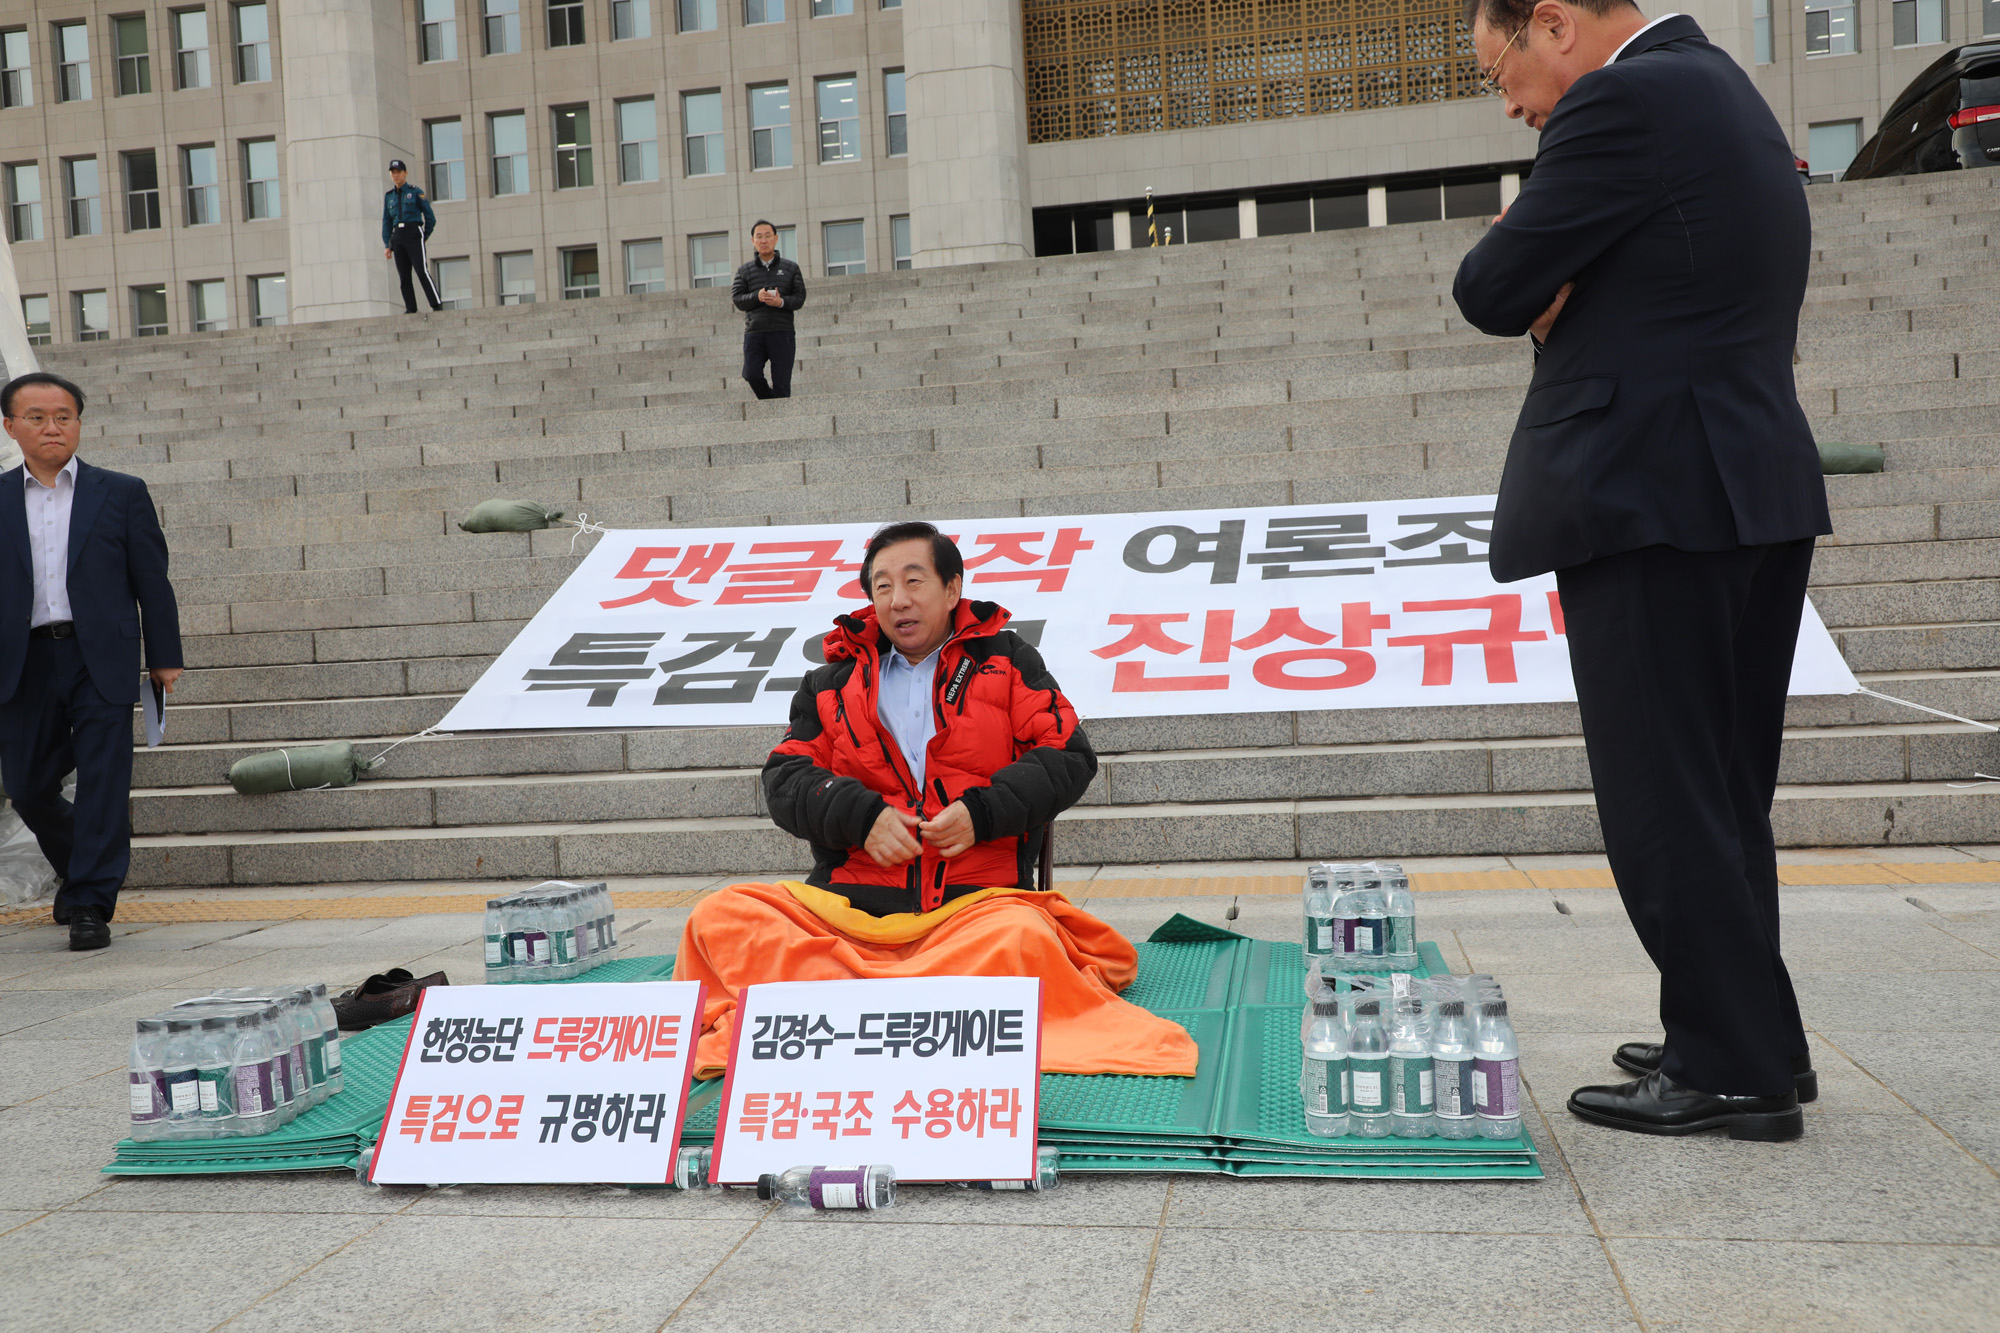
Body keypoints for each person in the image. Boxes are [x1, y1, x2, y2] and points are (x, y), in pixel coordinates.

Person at [1452, 2, 1831, 1141]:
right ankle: (1748, 1035)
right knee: (1718, 794)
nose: (1512, 104)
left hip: (1650, 494)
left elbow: (1487, 287)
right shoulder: (1716, 88)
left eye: (1501, 71)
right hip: (1741, 482)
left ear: (1553, 24)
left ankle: (1730, 1066)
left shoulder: (1620, 99)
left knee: (1665, 798)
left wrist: (1525, 243)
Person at [672, 521, 1198, 1080]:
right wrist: (861, 817)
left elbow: (1068, 754)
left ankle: (854, 1017)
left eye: (914, 580)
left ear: (952, 590)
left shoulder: (1008, 661)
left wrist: (982, 812)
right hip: (850, 921)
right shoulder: (830, 682)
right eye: (881, 586)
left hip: (974, 916)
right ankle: (920, 1012)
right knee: (718, 917)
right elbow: (784, 778)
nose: (897, 600)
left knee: (1022, 937)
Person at [0, 373, 183, 951]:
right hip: (22, 658)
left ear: (78, 423)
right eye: (36, 417)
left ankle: (88, 904)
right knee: (27, 785)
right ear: (10, 426)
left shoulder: (121, 492)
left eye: (64, 416)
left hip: (99, 652)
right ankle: (84, 869)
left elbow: (151, 578)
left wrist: (164, 656)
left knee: (104, 780)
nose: (52, 427)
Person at [729, 220, 806, 399]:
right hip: (755, 332)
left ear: (776, 238)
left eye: (767, 236)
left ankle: (778, 418)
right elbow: (738, 299)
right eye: (759, 237)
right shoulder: (744, 270)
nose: (764, 240)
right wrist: (757, 296)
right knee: (751, 374)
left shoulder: (791, 268)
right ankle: (770, 403)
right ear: (753, 241)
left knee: (782, 384)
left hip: (782, 332)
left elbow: (800, 298)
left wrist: (780, 302)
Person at [381, 160, 442, 315]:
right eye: (393, 172)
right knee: (404, 276)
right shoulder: (389, 197)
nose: (395, 175)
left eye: (398, 172)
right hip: (398, 237)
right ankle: (410, 308)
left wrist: (424, 235)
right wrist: (387, 245)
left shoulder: (415, 192)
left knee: (421, 271)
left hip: (413, 233)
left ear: (405, 173)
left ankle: (436, 304)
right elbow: (386, 221)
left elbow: (430, 217)